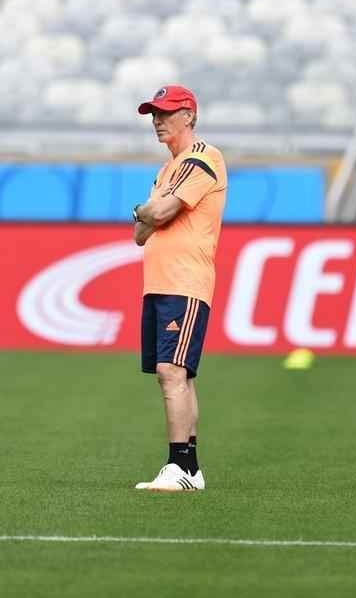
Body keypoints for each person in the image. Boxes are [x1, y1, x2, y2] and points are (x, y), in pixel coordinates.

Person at [131, 85, 228, 492]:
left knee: (172, 371)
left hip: (185, 281)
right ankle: (189, 467)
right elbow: (140, 234)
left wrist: (144, 210)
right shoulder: (167, 170)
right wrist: (149, 213)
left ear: (189, 115)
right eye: (154, 114)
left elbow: (158, 212)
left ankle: (180, 467)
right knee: (177, 375)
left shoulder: (202, 158)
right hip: (160, 282)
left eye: (166, 113)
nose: (157, 121)